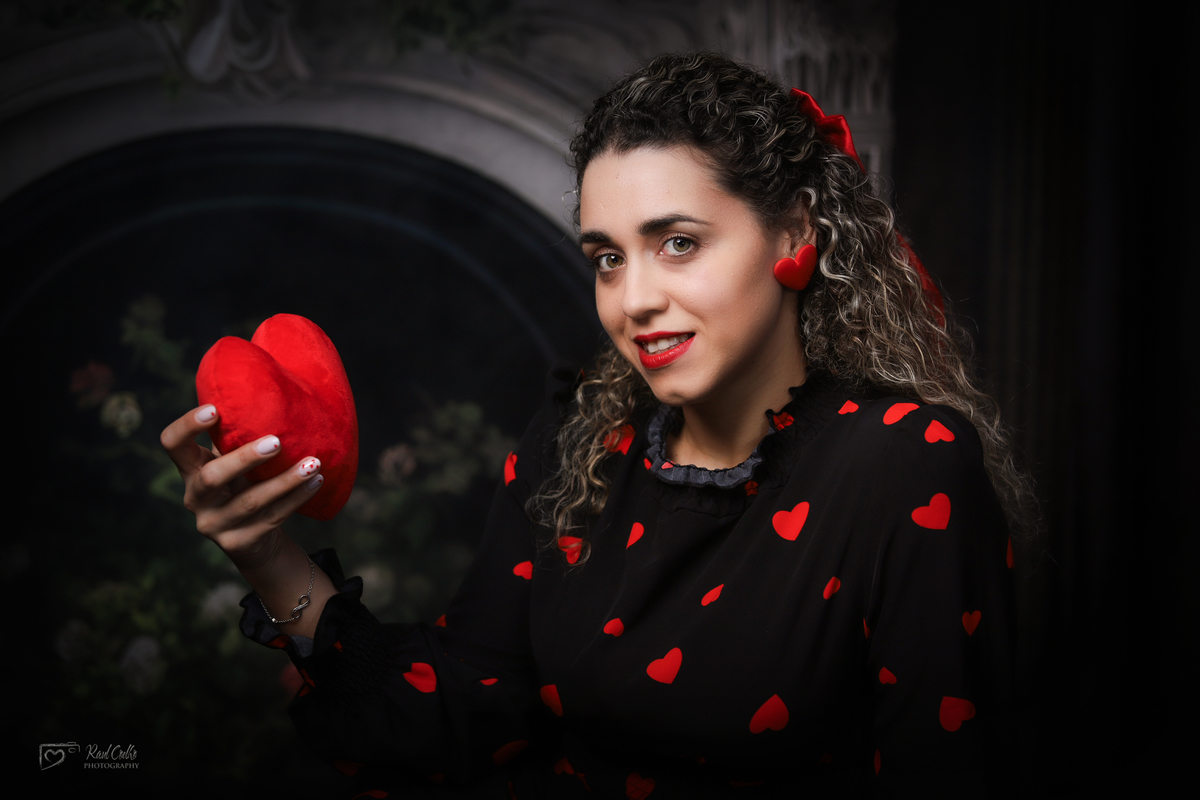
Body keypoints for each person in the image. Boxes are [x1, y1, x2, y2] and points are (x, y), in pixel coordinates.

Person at [161, 52, 1031, 798]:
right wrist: (266, 554)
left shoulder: (904, 464)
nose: (633, 299)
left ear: (794, 232)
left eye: (678, 242)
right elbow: (464, 713)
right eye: (608, 258)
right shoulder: (580, 439)